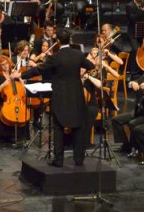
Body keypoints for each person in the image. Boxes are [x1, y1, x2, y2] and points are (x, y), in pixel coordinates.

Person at [22, 28, 95, 166]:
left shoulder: (55, 57)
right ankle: (79, 160)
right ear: (69, 40)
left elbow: (38, 69)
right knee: (78, 126)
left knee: (58, 127)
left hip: (60, 95)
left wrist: (21, 75)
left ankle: (59, 160)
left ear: (58, 41)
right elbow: (90, 65)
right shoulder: (78, 54)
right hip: (76, 95)